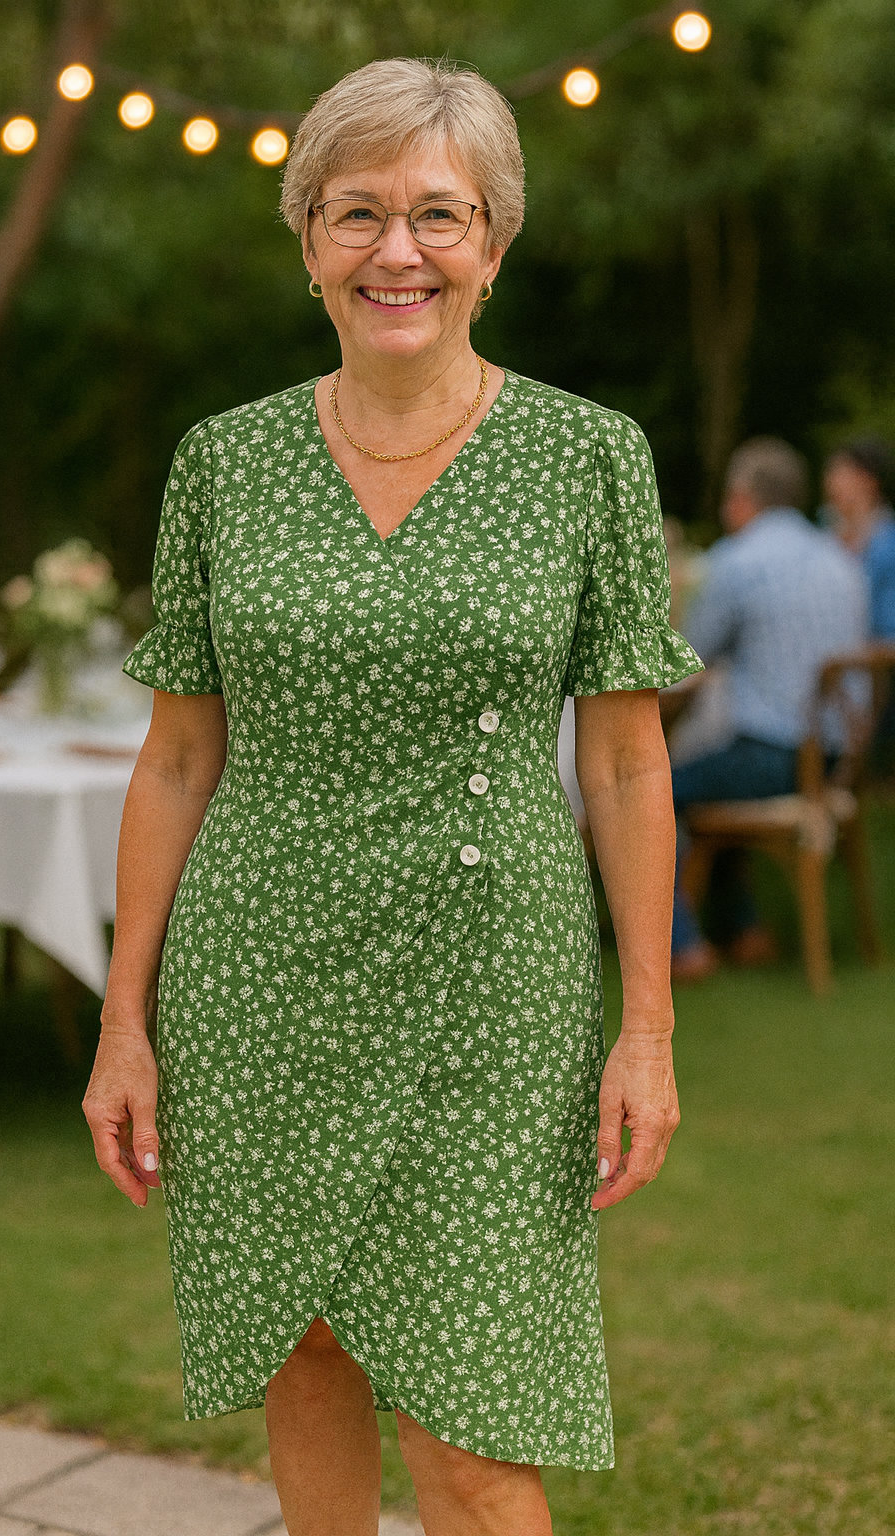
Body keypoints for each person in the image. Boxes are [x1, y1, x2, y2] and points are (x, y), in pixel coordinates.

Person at [83, 58, 701, 1536]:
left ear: (494, 242)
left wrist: (647, 1026)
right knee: (303, 1343)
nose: (397, 250)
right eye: (356, 212)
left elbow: (625, 762)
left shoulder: (588, 456)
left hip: (494, 985)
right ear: (308, 241)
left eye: (439, 214)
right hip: (257, 978)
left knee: (470, 1425)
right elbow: (177, 758)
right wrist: (123, 1020)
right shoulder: (222, 463)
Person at [671, 437, 868, 983]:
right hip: (835, 760)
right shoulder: (839, 558)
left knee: (654, 785)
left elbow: (686, 660)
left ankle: (681, 943)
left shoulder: (738, 563)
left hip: (774, 758)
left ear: (742, 497)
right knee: (717, 773)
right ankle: (745, 930)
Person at [823, 436, 895, 639]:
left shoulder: (888, 546)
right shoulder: (824, 538)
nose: (831, 482)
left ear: (869, 481)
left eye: (842, 473)